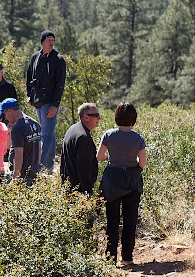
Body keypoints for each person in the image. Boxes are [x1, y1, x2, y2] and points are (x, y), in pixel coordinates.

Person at [96, 102, 147, 266]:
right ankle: (127, 257)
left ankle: (110, 258)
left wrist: (110, 159)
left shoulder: (109, 135)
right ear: (134, 118)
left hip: (112, 180)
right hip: (132, 181)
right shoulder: (138, 138)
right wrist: (134, 162)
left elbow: (99, 156)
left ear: (116, 117)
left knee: (112, 220)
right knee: (130, 220)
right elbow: (143, 163)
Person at [26, 30, 66, 174]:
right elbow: (29, 75)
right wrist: (29, 95)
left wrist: (55, 105)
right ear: (42, 41)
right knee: (50, 133)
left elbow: (60, 84)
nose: (51, 42)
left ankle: (38, 167)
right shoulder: (36, 57)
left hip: (50, 101)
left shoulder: (58, 59)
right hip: (38, 100)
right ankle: (49, 168)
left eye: (53, 40)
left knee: (46, 134)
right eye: (48, 39)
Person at [0, 98, 41, 186]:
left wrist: (15, 178)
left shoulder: (18, 128)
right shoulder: (35, 124)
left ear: (9, 111)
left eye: (4, 114)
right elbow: (39, 150)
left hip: (22, 175)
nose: (5, 118)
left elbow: (19, 155)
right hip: (33, 173)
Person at [60, 103, 100, 194]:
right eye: (96, 115)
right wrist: (87, 191)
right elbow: (84, 168)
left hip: (69, 188)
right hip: (79, 192)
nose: (99, 118)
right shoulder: (83, 137)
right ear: (86, 117)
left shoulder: (73, 129)